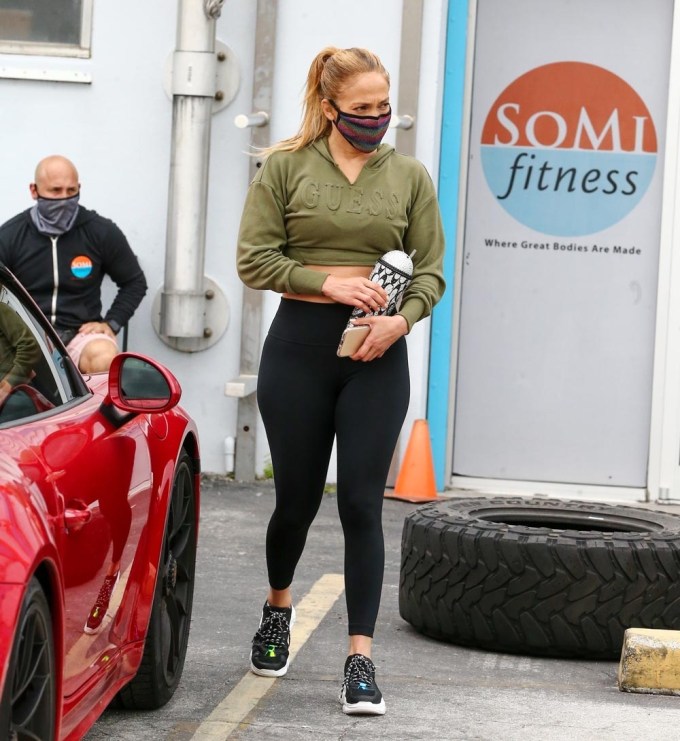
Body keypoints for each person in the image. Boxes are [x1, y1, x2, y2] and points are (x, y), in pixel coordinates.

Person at [236, 46, 446, 716]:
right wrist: (324, 280)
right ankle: (277, 610)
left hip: (376, 355)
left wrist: (402, 321)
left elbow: (432, 268)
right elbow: (253, 258)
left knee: (361, 501)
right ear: (330, 108)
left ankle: (360, 658)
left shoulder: (409, 176)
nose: (376, 119)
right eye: (361, 109)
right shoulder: (285, 168)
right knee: (294, 501)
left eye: (383, 107)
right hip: (298, 349)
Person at [0, 155, 147, 373]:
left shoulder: (100, 231)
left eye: (71, 191)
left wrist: (112, 323)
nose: (64, 199)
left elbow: (134, 282)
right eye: (55, 191)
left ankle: (101, 409)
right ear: (34, 191)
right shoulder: (11, 235)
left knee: (104, 356)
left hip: (80, 336)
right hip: (25, 335)